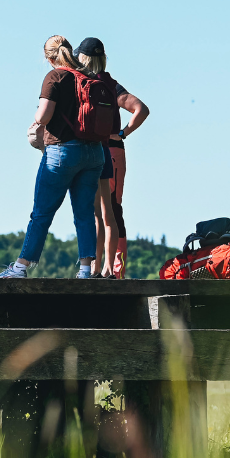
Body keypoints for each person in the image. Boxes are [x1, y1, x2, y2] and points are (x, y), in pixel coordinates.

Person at [0, 36, 107, 279]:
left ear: (48, 57)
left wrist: (35, 119)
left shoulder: (54, 77)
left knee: (42, 213)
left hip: (63, 152)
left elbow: (44, 116)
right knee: (85, 212)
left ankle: (20, 267)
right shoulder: (86, 76)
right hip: (94, 152)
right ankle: (86, 270)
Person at [72, 37, 149, 278]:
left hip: (96, 151)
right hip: (112, 151)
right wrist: (122, 133)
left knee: (102, 212)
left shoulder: (85, 83)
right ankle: (109, 270)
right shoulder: (110, 85)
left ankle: (102, 269)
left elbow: (142, 109)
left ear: (83, 59)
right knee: (109, 212)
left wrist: (121, 132)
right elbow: (140, 109)